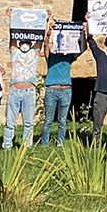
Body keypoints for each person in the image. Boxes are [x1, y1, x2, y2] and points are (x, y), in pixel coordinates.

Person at [40, 18, 80, 146]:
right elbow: (46, 45)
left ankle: (60, 143)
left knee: (63, 120)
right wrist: (49, 33)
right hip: (52, 89)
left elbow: (81, 48)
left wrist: (83, 32)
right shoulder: (51, 56)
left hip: (66, 90)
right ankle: (44, 143)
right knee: (48, 120)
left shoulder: (69, 57)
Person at [2, 37, 39, 150]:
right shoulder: (15, 52)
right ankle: (7, 145)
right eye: (22, 42)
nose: (24, 45)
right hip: (15, 91)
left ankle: (27, 145)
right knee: (10, 121)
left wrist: (45, 23)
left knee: (28, 122)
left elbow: (40, 40)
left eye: (27, 42)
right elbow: (12, 38)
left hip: (29, 91)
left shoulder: (34, 52)